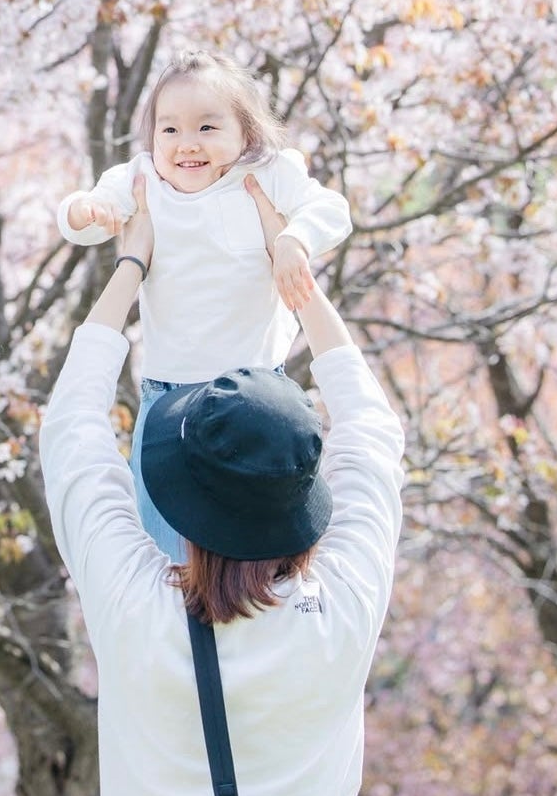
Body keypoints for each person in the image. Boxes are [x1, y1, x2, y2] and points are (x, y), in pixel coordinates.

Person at [40, 173, 404, 796]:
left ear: (175, 501)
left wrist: (130, 268)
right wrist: (292, 269)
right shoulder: (345, 596)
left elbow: (73, 431)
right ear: (305, 494)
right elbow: (373, 431)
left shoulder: (136, 606)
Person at [57, 50, 351, 558]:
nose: (186, 144)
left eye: (208, 128)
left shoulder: (267, 173)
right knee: (163, 542)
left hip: (259, 398)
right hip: (167, 395)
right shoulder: (142, 179)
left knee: (255, 548)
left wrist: (293, 241)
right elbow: (74, 217)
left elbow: (332, 210)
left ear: (247, 135)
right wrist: (89, 211)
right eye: (168, 130)